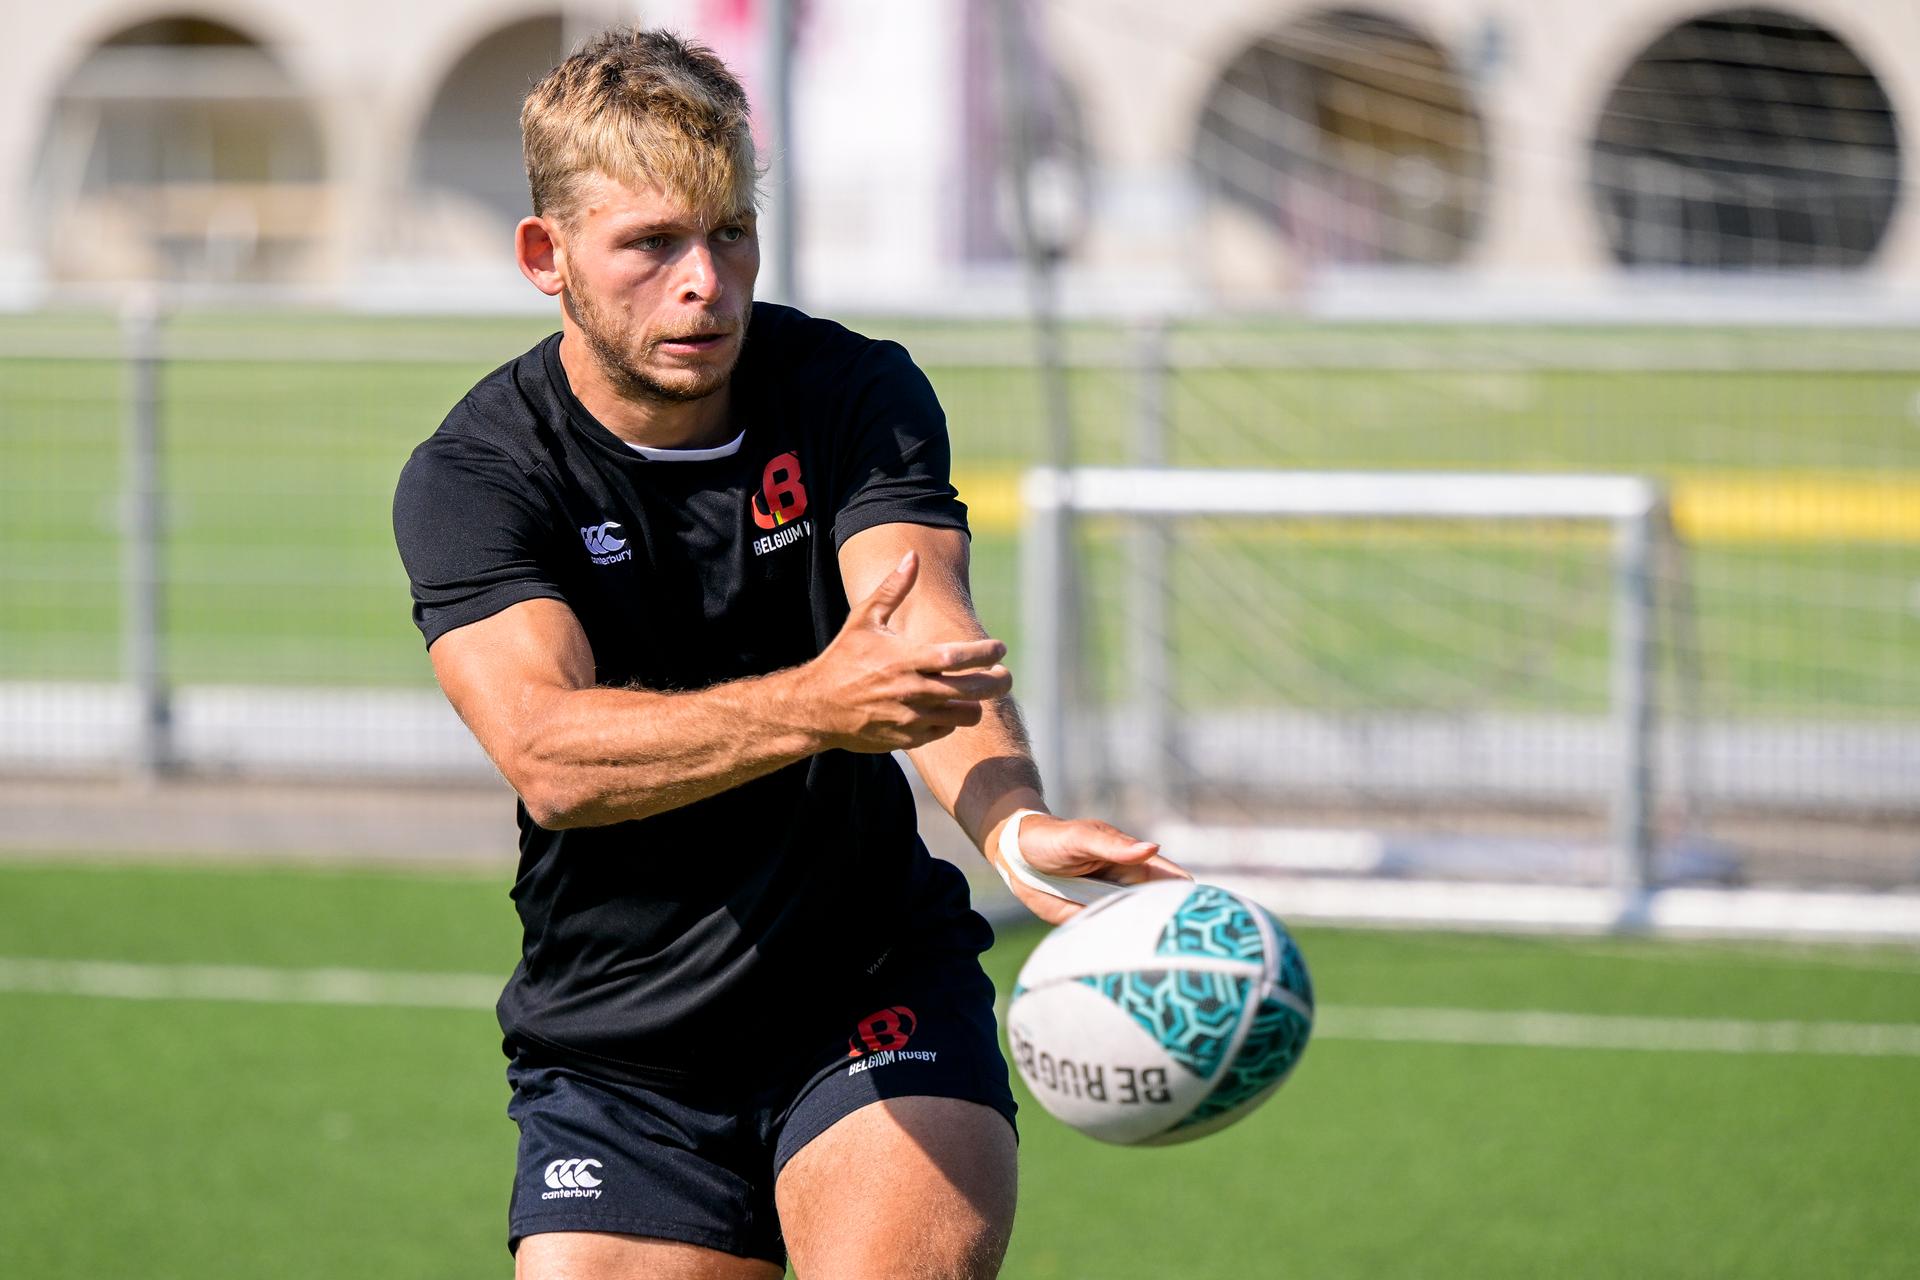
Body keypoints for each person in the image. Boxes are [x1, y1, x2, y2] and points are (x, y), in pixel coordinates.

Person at [393, 26, 1182, 1280]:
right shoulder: (479, 474)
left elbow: (921, 639)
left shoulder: (848, 391)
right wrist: (816, 704)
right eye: (651, 244)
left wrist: (1014, 824)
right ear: (546, 256)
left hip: (866, 986)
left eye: (731, 232)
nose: (704, 280)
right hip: (617, 1039)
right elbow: (552, 754)